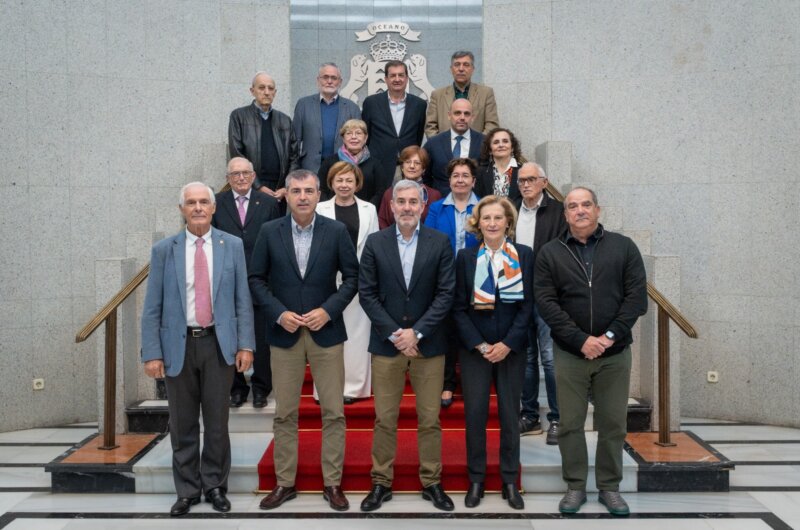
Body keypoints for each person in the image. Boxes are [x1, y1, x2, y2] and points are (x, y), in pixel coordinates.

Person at [141, 182, 255, 516]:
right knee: (183, 423)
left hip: (218, 345)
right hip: (178, 347)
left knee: (218, 423)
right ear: (181, 210)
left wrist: (245, 344)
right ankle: (188, 489)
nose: (198, 208)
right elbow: (152, 306)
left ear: (214, 207)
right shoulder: (165, 250)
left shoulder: (232, 245)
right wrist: (151, 352)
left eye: (204, 201)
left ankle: (216, 486)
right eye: (191, 203)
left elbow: (242, 301)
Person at [249, 169, 359, 512]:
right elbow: (256, 279)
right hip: (284, 334)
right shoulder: (269, 231)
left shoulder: (337, 230)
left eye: (308, 190)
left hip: (326, 332)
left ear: (317, 193)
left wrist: (328, 310)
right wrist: (278, 313)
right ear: (288, 194)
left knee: (333, 412)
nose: (302, 197)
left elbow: (353, 278)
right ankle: (284, 483)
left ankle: (332, 483)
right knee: (285, 413)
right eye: (295, 190)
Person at [534, 187, 647, 516]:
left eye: (586, 205)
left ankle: (610, 487)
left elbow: (636, 299)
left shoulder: (623, 247)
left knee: (613, 424)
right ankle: (575, 485)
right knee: (569, 423)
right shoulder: (550, 253)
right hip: (570, 354)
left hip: (614, 355)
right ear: (565, 213)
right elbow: (547, 303)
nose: (580, 211)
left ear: (598, 209)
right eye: (572, 206)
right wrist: (581, 339)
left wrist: (609, 336)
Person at [358, 179, 456, 513]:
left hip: (429, 345)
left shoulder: (440, 242)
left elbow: (446, 294)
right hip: (387, 346)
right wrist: (396, 333)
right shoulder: (375, 242)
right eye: (401, 201)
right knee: (385, 418)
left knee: (429, 419)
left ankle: (432, 480)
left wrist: (418, 333)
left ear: (423, 206)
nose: (407, 207)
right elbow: (367, 293)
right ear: (392, 205)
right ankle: (380, 482)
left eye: (413, 201)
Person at [452, 195, 533, 510]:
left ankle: (510, 481)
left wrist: (508, 344)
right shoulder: (466, 257)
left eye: (498, 218)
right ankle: (477, 479)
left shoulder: (524, 255)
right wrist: (481, 345)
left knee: (511, 417)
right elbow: (458, 308)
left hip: (511, 350)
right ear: (478, 223)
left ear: (508, 222)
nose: (492, 223)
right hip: (476, 351)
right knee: (475, 416)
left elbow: (528, 307)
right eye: (486, 218)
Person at [211, 158, 280, 408]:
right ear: (228, 178)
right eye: (235, 174)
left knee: (261, 336)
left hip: (261, 278)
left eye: (245, 173)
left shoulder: (270, 203)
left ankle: (261, 388)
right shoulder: (217, 204)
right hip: (227, 279)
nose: (240, 178)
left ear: (253, 176)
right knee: (230, 334)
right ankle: (237, 388)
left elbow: (277, 239)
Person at [315, 162, 379, 402]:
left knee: (358, 335)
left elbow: (373, 245)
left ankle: (354, 388)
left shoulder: (369, 209)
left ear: (357, 183)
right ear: (331, 183)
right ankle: (326, 389)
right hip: (327, 278)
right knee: (327, 333)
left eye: (349, 180)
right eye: (339, 180)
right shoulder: (319, 208)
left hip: (360, 279)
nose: (344, 185)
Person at [513, 162, 566, 443]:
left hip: (547, 295)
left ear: (544, 182)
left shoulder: (558, 212)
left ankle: (557, 418)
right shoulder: (511, 209)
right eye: (521, 180)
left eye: (531, 179)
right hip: (517, 296)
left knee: (549, 357)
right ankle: (529, 416)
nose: (525, 184)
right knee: (527, 359)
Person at [424, 158, 480, 408]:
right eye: (455, 175)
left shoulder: (483, 208)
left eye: (465, 175)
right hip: (444, 278)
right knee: (445, 332)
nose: (460, 180)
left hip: (476, 278)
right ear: (449, 181)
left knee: (471, 331)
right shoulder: (436, 208)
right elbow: (430, 242)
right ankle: (447, 383)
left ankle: (471, 384)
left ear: (473, 181)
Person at [228, 71, 299, 203]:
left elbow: (294, 157)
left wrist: (286, 187)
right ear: (252, 90)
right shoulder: (238, 116)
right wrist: (258, 186)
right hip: (251, 188)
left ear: (275, 92)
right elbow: (237, 154)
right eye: (261, 88)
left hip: (280, 190)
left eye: (270, 88)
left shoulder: (285, 120)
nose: (266, 92)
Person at [361, 60, 427, 185]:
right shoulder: (371, 103)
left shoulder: (419, 105)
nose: (397, 79)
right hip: (379, 166)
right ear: (386, 79)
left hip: (408, 166)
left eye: (401, 75)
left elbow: (418, 136)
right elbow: (366, 136)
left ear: (407, 78)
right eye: (393, 75)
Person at [293, 63, 361, 173]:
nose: (329, 81)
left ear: (340, 82)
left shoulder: (352, 108)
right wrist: (295, 171)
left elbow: (359, 142)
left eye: (334, 78)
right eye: (325, 77)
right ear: (318, 80)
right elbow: (294, 142)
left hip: (342, 170)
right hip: (309, 169)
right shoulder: (303, 105)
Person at [424, 51, 499, 138]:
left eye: (466, 65)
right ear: (451, 69)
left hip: (476, 149)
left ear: (473, 69)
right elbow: (430, 126)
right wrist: (441, 147)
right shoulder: (437, 95)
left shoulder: (486, 93)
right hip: (444, 149)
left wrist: (479, 146)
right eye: (457, 64)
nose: (461, 69)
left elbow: (492, 125)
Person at [317, 119, 388, 207]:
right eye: (349, 133)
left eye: (358, 133)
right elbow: (321, 188)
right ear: (343, 138)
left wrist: (367, 209)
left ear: (365, 138)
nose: (353, 137)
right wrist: (329, 208)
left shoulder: (375, 164)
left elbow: (380, 191)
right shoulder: (330, 162)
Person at [423, 99, 484, 196]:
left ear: (472, 117)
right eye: (457, 113)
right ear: (449, 115)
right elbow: (425, 177)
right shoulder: (433, 144)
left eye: (467, 114)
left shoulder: (484, 142)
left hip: (475, 205)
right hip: (441, 204)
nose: (462, 117)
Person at [377, 146, 441, 229]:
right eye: (408, 162)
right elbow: (382, 222)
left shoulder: (434, 195)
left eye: (417, 163)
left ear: (424, 169)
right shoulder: (389, 193)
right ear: (402, 167)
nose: (412, 166)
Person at [475, 128, 523, 202]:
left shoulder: (523, 171)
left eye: (505, 141)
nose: (501, 145)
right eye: (496, 142)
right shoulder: (480, 172)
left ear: (512, 147)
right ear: (490, 150)